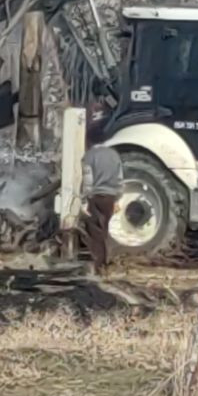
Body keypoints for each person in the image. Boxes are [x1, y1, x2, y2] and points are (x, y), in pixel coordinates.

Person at [80, 105, 123, 276]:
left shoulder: (89, 156)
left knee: (94, 232)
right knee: (105, 229)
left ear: (89, 140)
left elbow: (88, 179)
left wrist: (84, 199)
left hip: (96, 196)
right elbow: (120, 178)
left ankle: (98, 266)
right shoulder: (114, 155)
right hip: (111, 197)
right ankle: (107, 261)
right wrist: (118, 198)